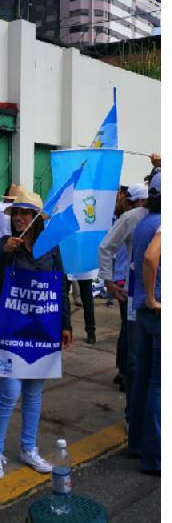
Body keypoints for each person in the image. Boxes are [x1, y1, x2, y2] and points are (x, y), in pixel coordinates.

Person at [0, 189, 73, 480]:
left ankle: (28, 448)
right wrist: (5, 254)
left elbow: (61, 286)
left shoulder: (51, 247)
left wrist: (66, 324)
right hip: (11, 328)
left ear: (36, 218)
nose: (20, 218)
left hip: (43, 330)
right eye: (16, 213)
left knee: (34, 393)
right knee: (9, 393)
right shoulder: (5, 245)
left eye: (25, 213)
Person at [98, 181, 152, 409]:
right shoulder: (133, 217)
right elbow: (105, 247)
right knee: (135, 357)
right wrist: (108, 281)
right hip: (135, 297)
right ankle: (133, 414)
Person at [127, 173, 160, 474]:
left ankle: (136, 443)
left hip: (146, 310)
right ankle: (156, 457)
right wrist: (152, 298)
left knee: (143, 380)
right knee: (159, 386)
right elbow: (151, 258)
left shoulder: (143, 222)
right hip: (158, 309)